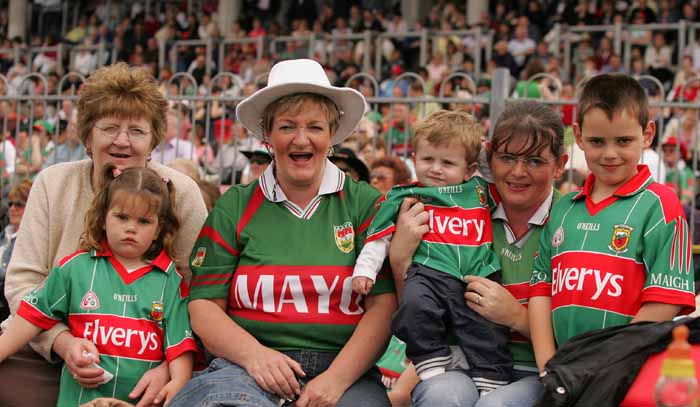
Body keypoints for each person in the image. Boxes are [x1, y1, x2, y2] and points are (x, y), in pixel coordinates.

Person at [168, 58, 396, 407]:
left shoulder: (366, 204)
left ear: (332, 134)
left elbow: (383, 305)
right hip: (244, 366)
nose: (301, 139)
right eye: (287, 126)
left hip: (345, 372)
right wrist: (255, 357)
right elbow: (204, 306)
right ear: (268, 137)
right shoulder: (234, 207)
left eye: (315, 127)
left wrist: (335, 380)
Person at [1, 62, 208, 407]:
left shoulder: (182, 193)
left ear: (154, 139)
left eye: (137, 131)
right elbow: (25, 285)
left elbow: (199, 292)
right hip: (51, 351)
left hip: (146, 362)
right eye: (109, 128)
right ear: (86, 136)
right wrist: (63, 342)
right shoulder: (54, 184)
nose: (122, 142)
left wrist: (169, 366)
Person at [389, 100, 569, 406]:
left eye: (535, 161)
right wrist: (399, 259)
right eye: (507, 157)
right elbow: (421, 306)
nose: (518, 172)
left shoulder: (573, 220)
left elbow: (584, 328)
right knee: (441, 396)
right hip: (464, 362)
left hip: (540, 371)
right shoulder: (461, 207)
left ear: (560, 164)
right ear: (488, 155)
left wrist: (517, 318)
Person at [529, 74, 696, 374]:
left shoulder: (661, 205)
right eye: (596, 141)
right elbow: (541, 293)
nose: (609, 153)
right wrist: (548, 368)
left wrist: (603, 365)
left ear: (647, 135)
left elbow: (664, 303)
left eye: (623, 141)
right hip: (562, 375)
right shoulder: (563, 209)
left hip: (621, 375)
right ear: (578, 136)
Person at [0, 166, 197, 406]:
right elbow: (32, 315)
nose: (131, 228)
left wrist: (178, 383)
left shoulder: (171, 282)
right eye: (122, 217)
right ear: (104, 217)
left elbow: (180, 346)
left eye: (144, 221)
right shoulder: (74, 268)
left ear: (158, 230)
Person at [352, 110, 511, 394]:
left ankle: (491, 378)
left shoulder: (479, 191)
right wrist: (365, 270)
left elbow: (503, 177)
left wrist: (483, 148)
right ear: (413, 159)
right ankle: (431, 361)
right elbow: (379, 237)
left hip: (476, 276)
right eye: (427, 159)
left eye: (447, 162)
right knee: (414, 308)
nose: (436, 169)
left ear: (469, 168)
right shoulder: (406, 195)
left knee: (486, 327)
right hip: (429, 274)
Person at [0, 180, 31, 322]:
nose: (12, 208)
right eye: (10, 204)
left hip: (8, 307)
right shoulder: (4, 235)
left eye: (19, 204)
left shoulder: (31, 241)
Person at [661, 136, 694, 207]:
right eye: (664, 150)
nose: (667, 153)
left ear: (680, 154)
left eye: (671, 150)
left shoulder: (685, 172)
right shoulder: (662, 170)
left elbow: (685, 200)